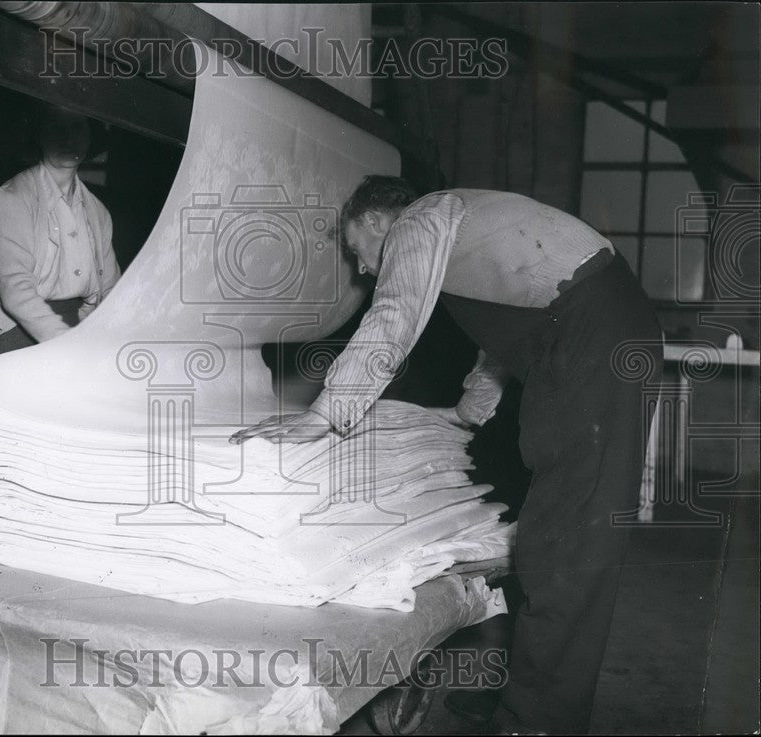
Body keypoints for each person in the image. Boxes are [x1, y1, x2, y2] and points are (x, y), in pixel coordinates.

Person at [231, 177, 662, 734]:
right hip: (582, 329)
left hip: (592, 333)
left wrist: (324, 413)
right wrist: (467, 412)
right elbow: (502, 340)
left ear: (377, 221)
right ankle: (531, 691)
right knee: (551, 533)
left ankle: (539, 720)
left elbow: (394, 314)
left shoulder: (421, 219)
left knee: (568, 542)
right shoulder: (467, 237)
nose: (360, 267)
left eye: (354, 247)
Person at [0, 105, 121, 393]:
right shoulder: (12, 198)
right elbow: (16, 292)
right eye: (56, 127)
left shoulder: (98, 212)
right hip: (3, 329)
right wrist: (69, 345)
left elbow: (110, 288)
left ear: (91, 137)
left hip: (64, 327)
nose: (68, 137)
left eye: (77, 127)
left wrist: (98, 340)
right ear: (40, 135)